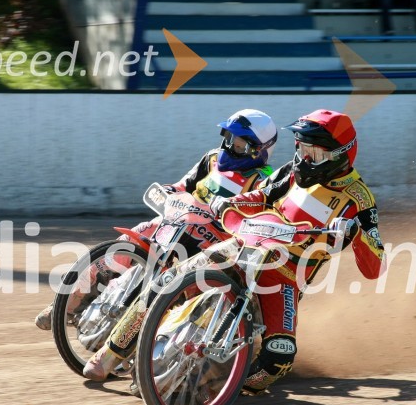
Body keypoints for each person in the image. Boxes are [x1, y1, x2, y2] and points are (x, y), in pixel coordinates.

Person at [84, 110, 386, 394]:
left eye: (314, 154)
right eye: (301, 148)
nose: (304, 158)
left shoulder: (359, 200)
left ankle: (224, 385)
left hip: (284, 274)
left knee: (277, 360)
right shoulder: (291, 173)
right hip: (242, 246)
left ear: (340, 155)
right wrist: (232, 203)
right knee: (168, 279)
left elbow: (376, 267)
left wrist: (356, 233)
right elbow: (261, 195)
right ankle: (110, 353)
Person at [34, 109, 279, 330]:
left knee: (193, 293)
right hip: (178, 224)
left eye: (238, 144)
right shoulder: (212, 158)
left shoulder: (263, 180)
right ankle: (66, 304)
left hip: (212, 245)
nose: (229, 147)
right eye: (228, 138)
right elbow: (184, 185)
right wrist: (170, 190)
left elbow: (253, 226)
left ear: (260, 149)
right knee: (131, 238)